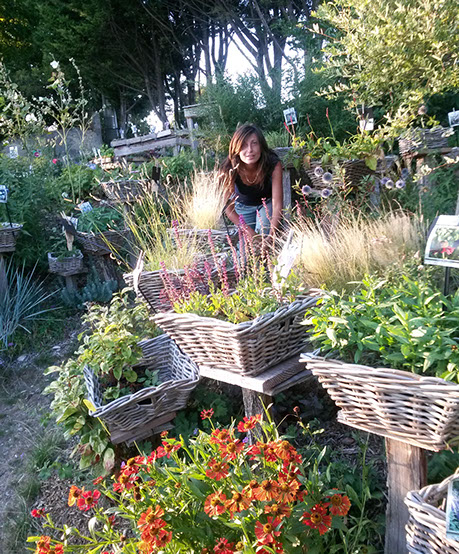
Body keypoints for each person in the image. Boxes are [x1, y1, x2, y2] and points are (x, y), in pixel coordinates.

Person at [219, 124, 283, 237]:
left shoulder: (272, 163)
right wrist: (251, 235)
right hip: (243, 207)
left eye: (254, 143)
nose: (250, 150)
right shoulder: (229, 168)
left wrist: (271, 237)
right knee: (246, 251)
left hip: (266, 204)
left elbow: (277, 204)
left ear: (261, 145)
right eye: (244, 145)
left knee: (264, 238)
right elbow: (228, 209)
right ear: (236, 148)